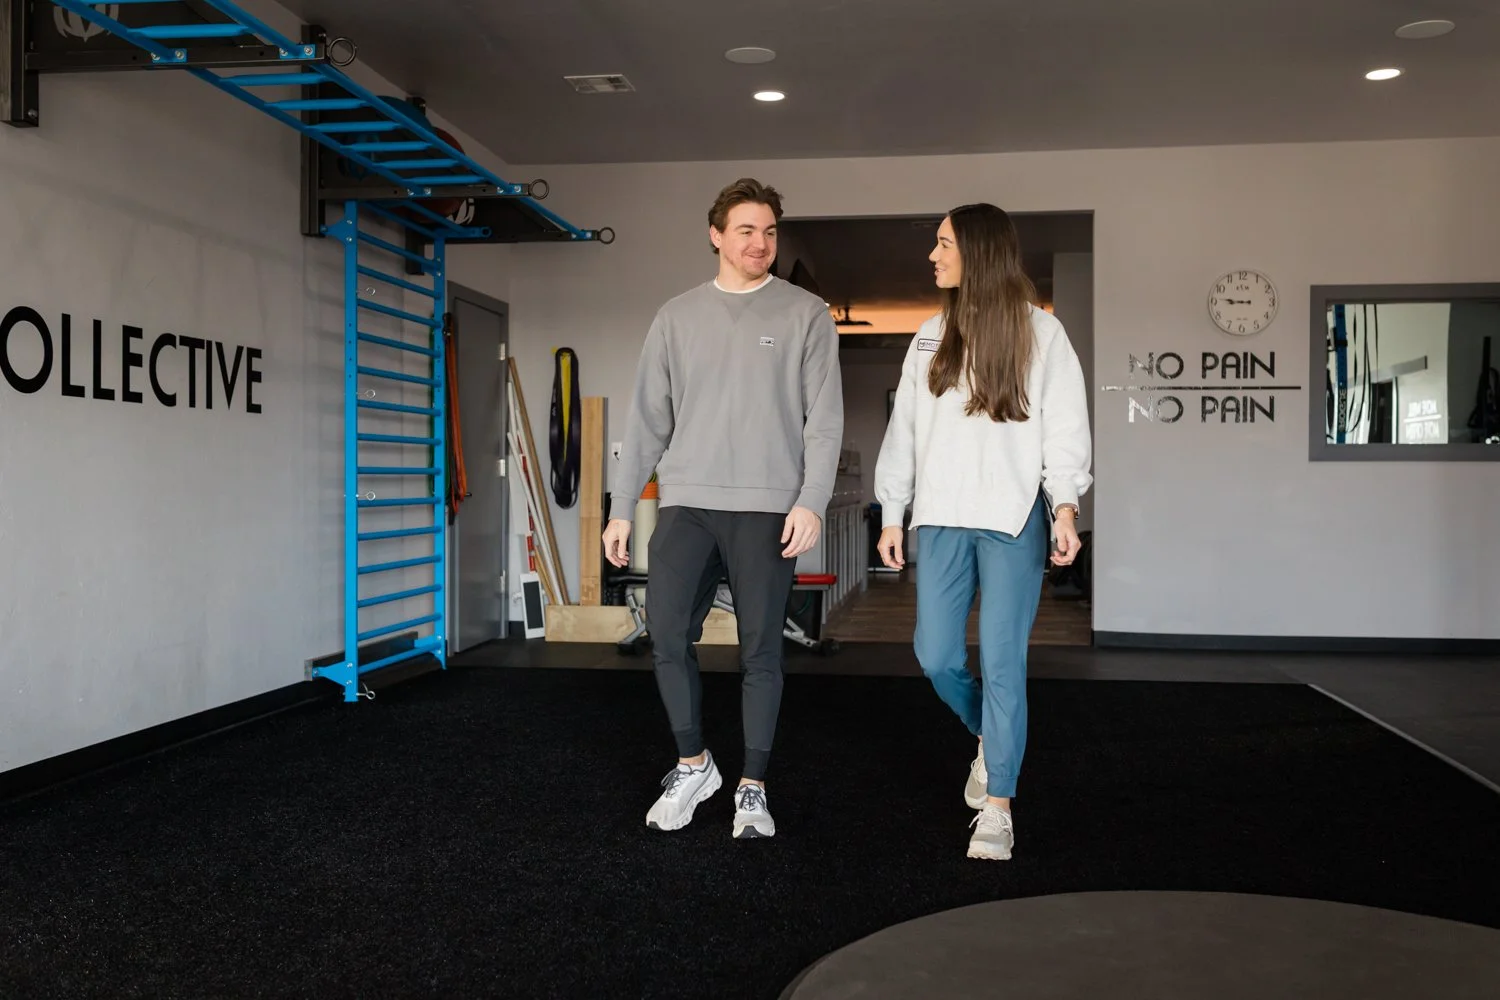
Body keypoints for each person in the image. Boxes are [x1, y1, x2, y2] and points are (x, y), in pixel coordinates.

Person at [603, 178, 844, 840]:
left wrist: (812, 501)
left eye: (769, 231)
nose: (760, 243)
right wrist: (623, 506)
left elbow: (824, 422)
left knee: (762, 650)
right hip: (687, 504)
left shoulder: (806, 314)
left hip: (769, 508)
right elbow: (648, 419)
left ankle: (752, 786)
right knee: (667, 635)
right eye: (745, 230)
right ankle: (694, 764)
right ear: (716, 235)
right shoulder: (676, 317)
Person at [873, 202, 1092, 861]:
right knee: (935, 655)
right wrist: (892, 510)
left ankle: (998, 804)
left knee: (1003, 662)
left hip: (1012, 518)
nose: (933, 256)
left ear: (978, 250)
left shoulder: (1041, 336)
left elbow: (1064, 426)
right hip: (941, 518)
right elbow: (905, 431)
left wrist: (1066, 507)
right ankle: (989, 738)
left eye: (943, 244)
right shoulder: (928, 336)